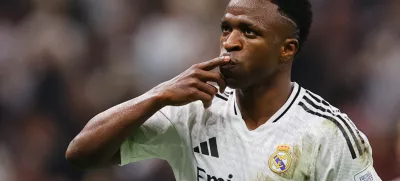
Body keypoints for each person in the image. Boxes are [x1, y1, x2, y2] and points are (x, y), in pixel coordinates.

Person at [66, 0, 381, 180]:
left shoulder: (328, 132)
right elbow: (81, 153)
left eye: (249, 32)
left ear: (287, 50)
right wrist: (158, 94)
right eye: (226, 28)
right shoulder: (194, 110)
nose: (230, 42)